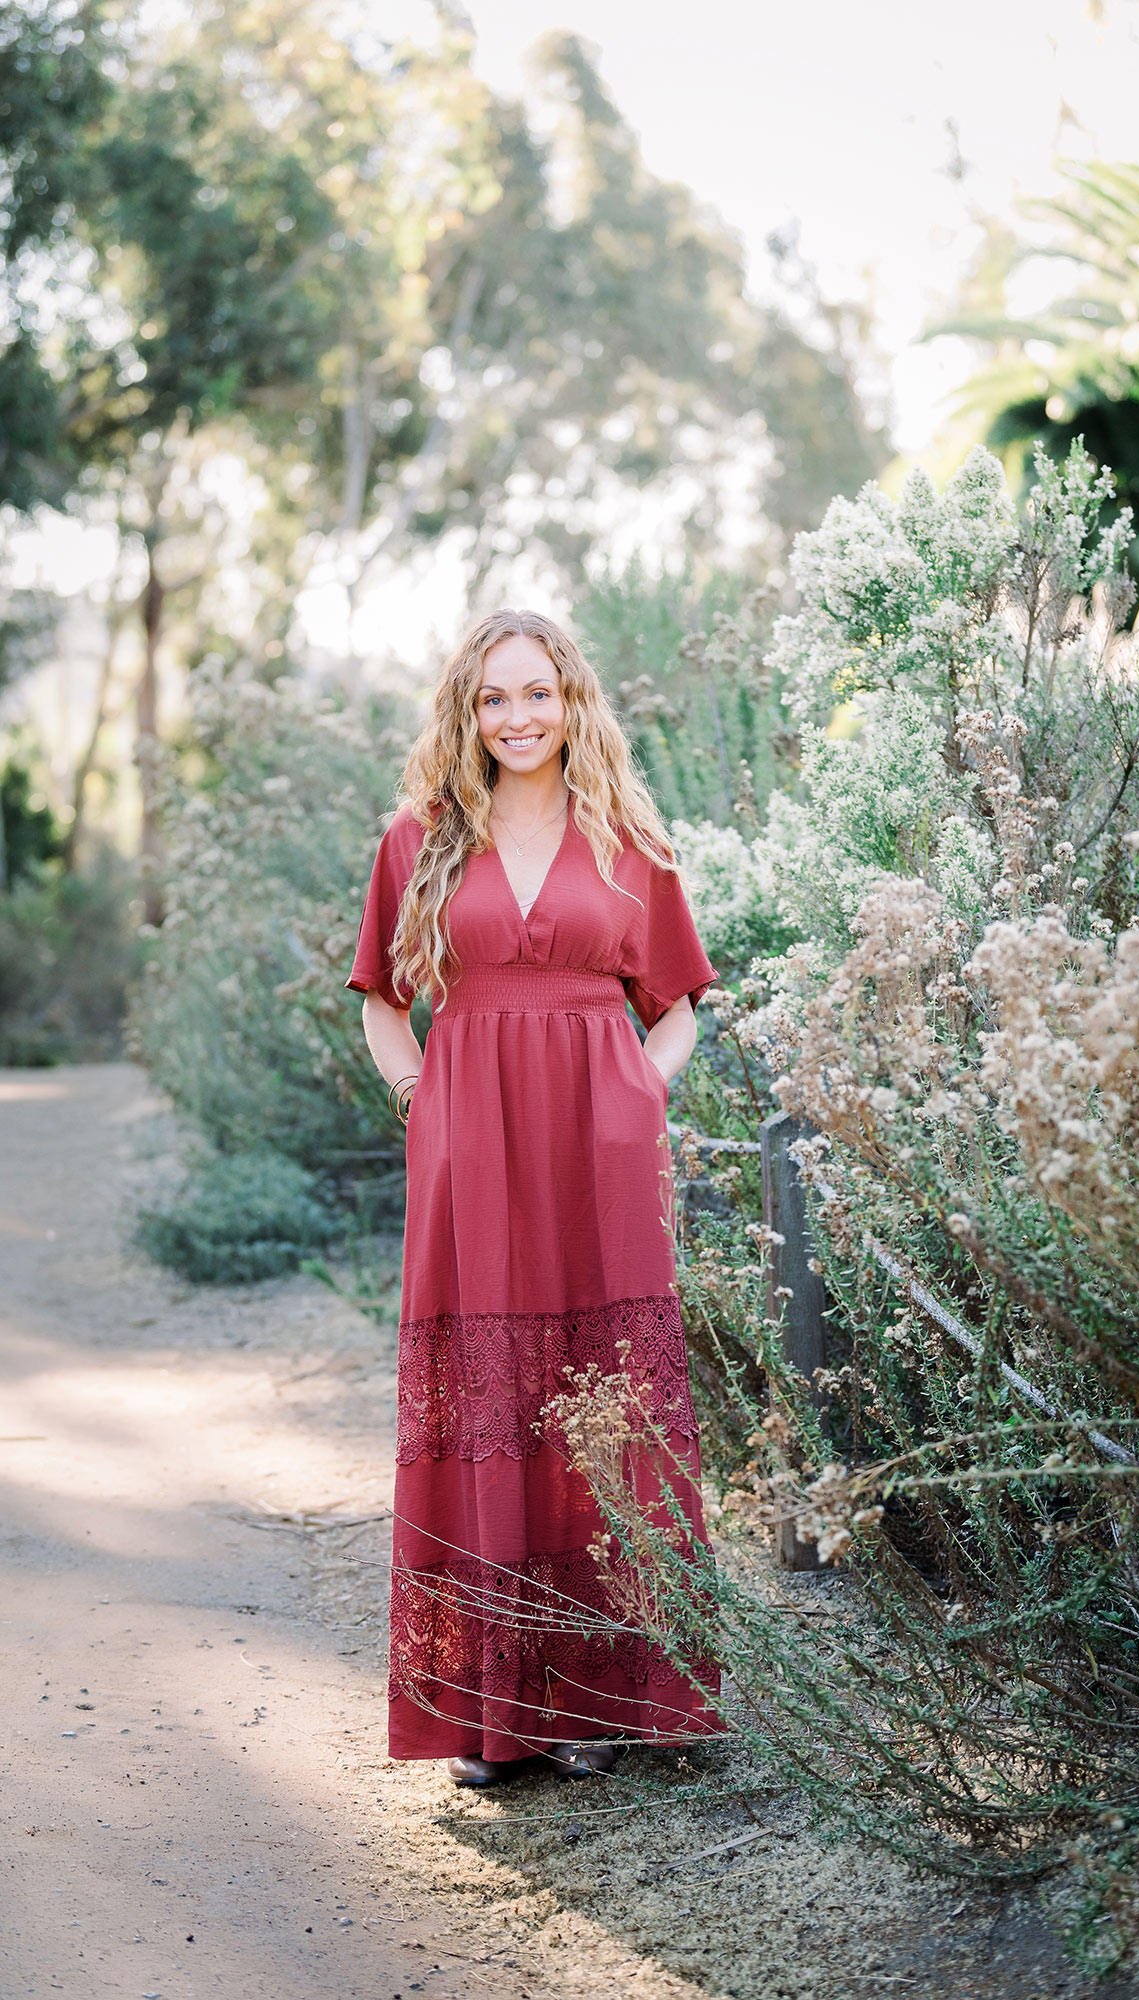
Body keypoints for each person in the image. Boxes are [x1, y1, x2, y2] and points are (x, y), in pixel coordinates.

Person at [346, 607, 723, 1785]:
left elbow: (677, 1001)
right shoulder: (420, 839)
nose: (518, 716)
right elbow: (376, 995)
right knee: (487, 1403)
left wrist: (637, 1098)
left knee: (604, 1401)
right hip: (472, 1152)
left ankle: (609, 1695)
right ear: (468, 710)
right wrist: (422, 1097)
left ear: (573, 702)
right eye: (495, 697)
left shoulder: (626, 840)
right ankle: (491, 1712)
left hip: (600, 1151)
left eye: (538, 692)